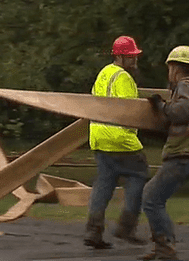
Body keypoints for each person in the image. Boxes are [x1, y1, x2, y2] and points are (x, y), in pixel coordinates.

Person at [141, 46, 189, 260]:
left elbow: (183, 112)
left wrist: (161, 106)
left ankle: (166, 249)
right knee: (154, 196)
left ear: (174, 68)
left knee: (151, 197)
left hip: (187, 153)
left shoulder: (186, 86)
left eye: (169, 68)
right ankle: (163, 247)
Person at [83, 36, 149, 249]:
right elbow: (131, 110)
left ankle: (93, 230)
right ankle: (126, 227)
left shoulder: (103, 73)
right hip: (120, 138)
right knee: (139, 175)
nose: (135, 60)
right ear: (120, 56)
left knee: (103, 184)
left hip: (98, 136)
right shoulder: (124, 78)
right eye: (131, 56)